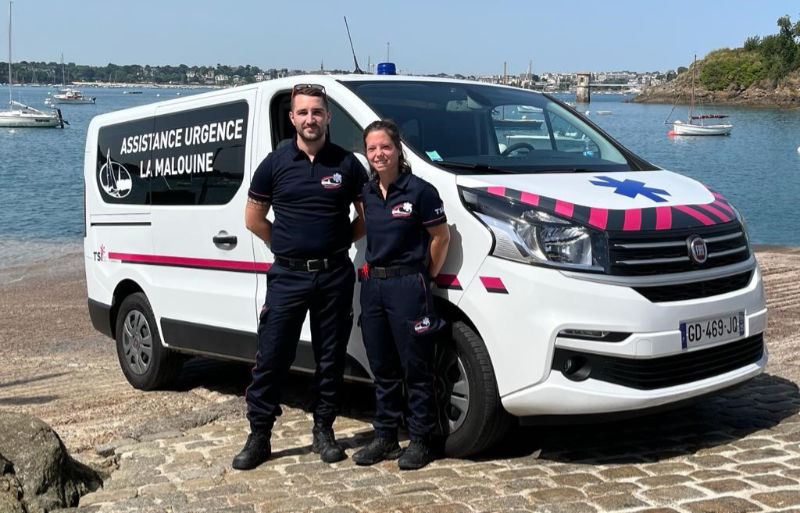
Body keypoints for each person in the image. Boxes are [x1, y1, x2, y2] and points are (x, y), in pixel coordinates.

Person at [232, 84, 368, 470]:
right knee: (272, 357)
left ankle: (323, 430)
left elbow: (366, 216)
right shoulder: (274, 164)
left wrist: (339, 240)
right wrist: (286, 247)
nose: (311, 119)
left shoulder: (346, 164)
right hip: (288, 278)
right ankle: (259, 436)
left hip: (334, 275)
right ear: (292, 118)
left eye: (317, 112)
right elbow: (253, 219)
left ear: (328, 117)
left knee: (330, 358)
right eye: (303, 112)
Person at [352, 120, 450, 470]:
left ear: (398, 150)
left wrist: (426, 277)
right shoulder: (365, 193)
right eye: (372, 148)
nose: (379, 154)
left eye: (385, 147)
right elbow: (360, 228)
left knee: (415, 367)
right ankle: (386, 436)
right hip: (373, 286)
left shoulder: (420, 191)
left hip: (409, 285)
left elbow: (441, 238)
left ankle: (422, 439)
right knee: (382, 366)